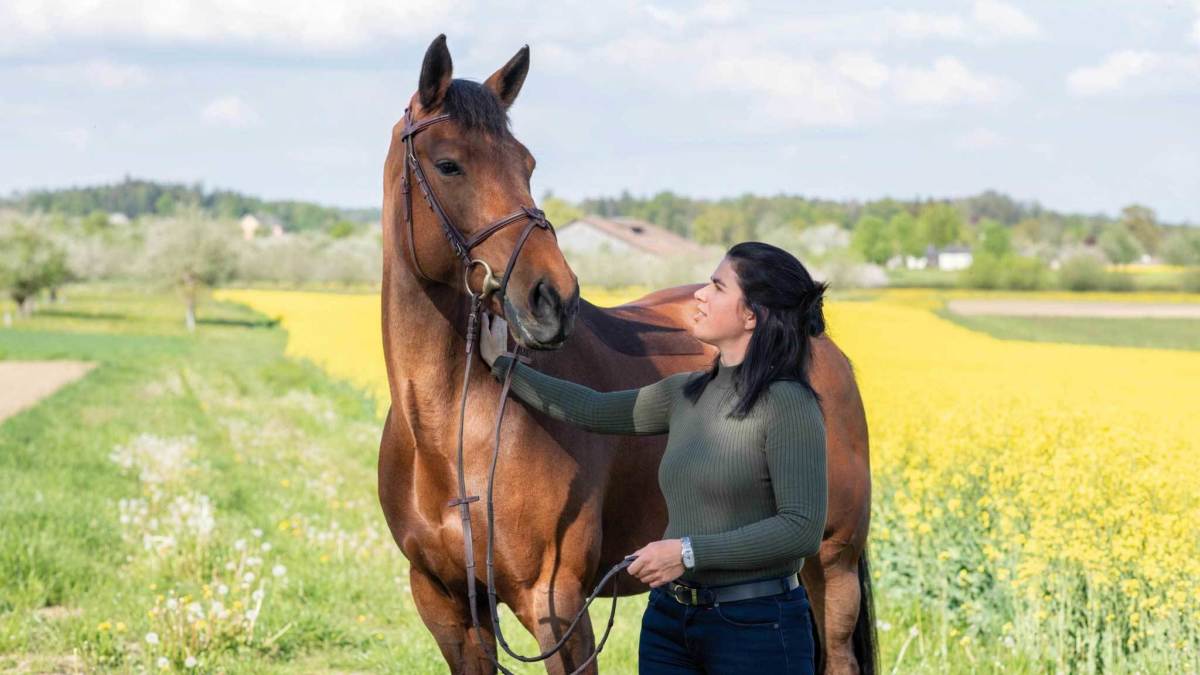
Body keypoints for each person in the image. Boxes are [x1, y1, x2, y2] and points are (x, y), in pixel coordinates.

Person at [479, 241, 828, 674]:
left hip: (756, 625)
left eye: (717, 287)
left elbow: (801, 529)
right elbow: (590, 409)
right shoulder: (684, 392)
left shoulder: (789, 405)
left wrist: (687, 552)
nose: (699, 294)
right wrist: (502, 366)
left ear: (750, 316)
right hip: (670, 621)